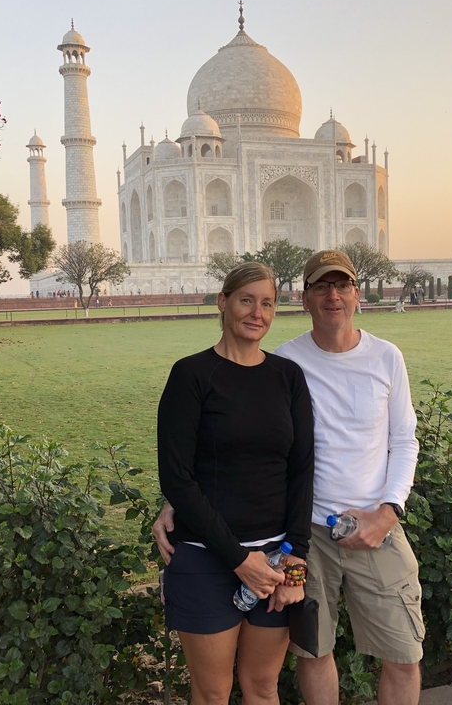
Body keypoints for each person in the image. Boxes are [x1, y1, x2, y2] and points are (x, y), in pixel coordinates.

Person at [154, 250, 423, 705]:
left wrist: (386, 512)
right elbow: (199, 463)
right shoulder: (269, 364)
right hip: (272, 541)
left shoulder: (355, 362)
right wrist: (178, 502)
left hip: (326, 538)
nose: (333, 296)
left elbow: (386, 445)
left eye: (265, 303)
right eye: (246, 300)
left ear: (357, 294)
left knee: (394, 657)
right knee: (291, 662)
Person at [157, 261, 314, 705]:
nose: (257, 313)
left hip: (275, 560)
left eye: (268, 303)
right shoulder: (191, 375)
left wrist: (295, 565)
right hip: (205, 559)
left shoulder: (287, 377)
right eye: (247, 300)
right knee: (212, 692)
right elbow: (177, 479)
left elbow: (302, 470)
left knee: (263, 687)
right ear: (223, 302)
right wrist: (239, 560)